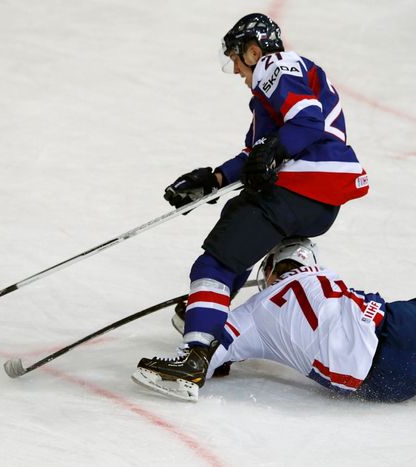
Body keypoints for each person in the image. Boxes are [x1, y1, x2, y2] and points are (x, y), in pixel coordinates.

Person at [134, 13, 370, 388]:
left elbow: (306, 120)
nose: (237, 71)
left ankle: (196, 357)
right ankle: (215, 338)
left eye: (236, 59)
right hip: (320, 203)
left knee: (214, 265)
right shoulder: (272, 93)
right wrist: (213, 179)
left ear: (253, 50)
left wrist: (275, 150)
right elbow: (257, 154)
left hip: (297, 188)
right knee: (238, 252)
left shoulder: (274, 66)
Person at [133, 238, 416, 414]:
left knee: (413, 366)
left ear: (269, 271)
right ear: (308, 261)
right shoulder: (321, 277)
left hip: (382, 385)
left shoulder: (250, 314)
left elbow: (208, 352)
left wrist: (193, 323)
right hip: (397, 330)